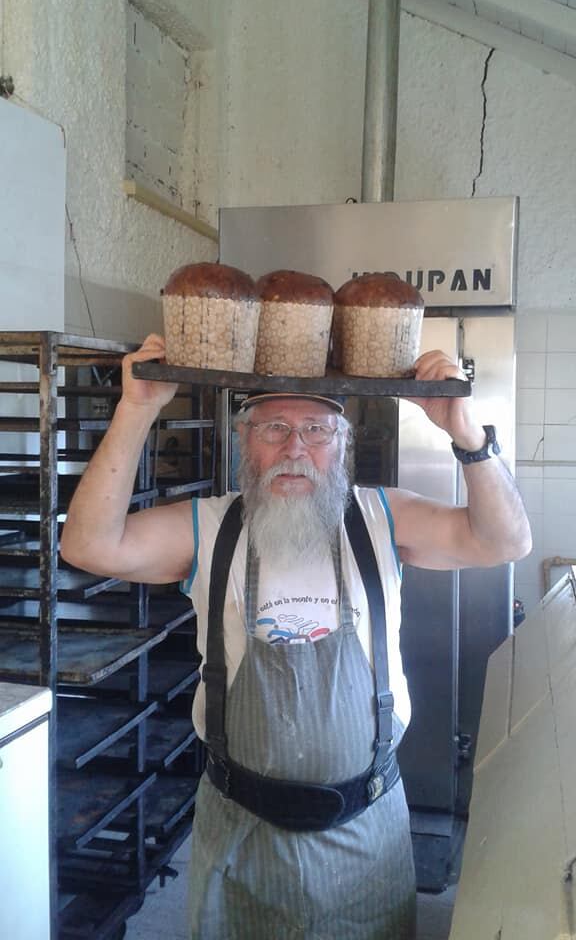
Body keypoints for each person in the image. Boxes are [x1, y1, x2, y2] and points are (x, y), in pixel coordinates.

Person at [61, 333, 531, 940]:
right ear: (243, 444)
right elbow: (87, 546)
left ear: (343, 448)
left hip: (367, 829)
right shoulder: (208, 527)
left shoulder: (383, 518)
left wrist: (466, 436)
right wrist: (136, 410)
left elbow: (506, 542)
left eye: (317, 432)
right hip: (240, 835)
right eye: (273, 429)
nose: (296, 450)